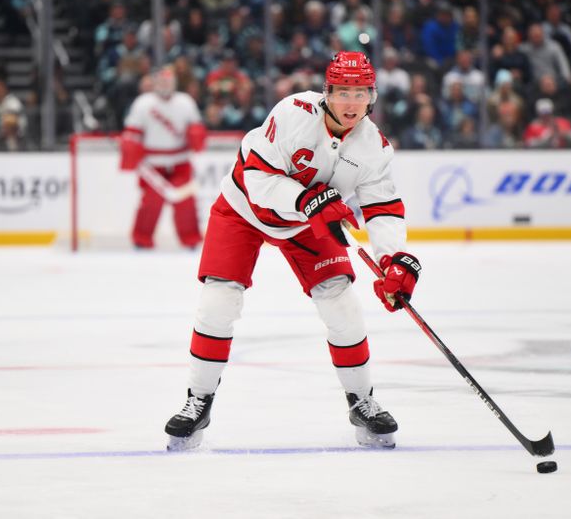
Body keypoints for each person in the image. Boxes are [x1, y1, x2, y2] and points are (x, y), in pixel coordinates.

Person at [164, 51, 422, 451]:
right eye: (343, 92)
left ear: (372, 96)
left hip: (307, 224)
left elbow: (383, 207)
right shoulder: (292, 113)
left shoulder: (375, 147)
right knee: (219, 299)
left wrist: (394, 259)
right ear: (327, 92)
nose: (351, 103)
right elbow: (259, 180)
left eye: (360, 93)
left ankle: (362, 400)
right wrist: (309, 201)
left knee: (342, 304)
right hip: (243, 209)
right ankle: (198, 400)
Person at [120, 66, 206, 249]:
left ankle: (191, 239)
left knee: (185, 202)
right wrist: (129, 150)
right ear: (154, 82)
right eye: (162, 80)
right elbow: (132, 132)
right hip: (152, 165)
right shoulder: (143, 103)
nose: (165, 84)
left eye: (169, 80)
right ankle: (141, 239)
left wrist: (196, 135)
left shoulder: (185, 102)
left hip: (180, 161)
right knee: (151, 202)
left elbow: (196, 126)